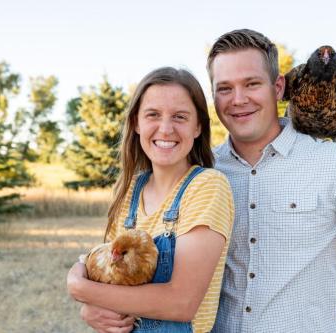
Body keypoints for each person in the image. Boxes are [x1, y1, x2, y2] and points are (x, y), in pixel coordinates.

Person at [207, 29, 336, 333]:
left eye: (251, 84)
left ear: (278, 87)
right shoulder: (204, 171)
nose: (238, 100)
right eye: (225, 88)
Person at [66, 67, 234, 333]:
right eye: (153, 115)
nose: (165, 129)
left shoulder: (207, 186)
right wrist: (90, 305)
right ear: (136, 123)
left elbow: (182, 302)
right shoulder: (130, 190)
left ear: (198, 126)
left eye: (180, 117)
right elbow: (105, 272)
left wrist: (80, 288)